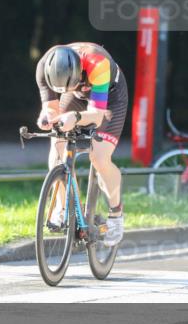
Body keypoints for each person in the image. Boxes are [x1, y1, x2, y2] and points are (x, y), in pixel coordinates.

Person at [35, 43, 127, 248]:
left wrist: (75, 117)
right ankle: (63, 206)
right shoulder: (43, 67)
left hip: (109, 98)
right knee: (58, 143)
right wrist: (48, 116)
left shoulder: (98, 64)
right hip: (76, 94)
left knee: (100, 157)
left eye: (71, 84)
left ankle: (116, 213)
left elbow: (96, 115)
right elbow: (50, 107)